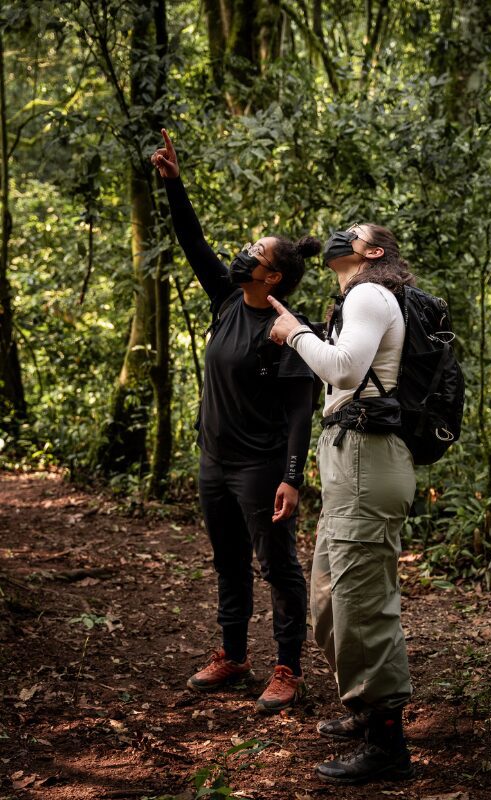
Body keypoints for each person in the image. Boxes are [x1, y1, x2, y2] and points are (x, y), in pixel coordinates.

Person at [150, 129, 320, 713]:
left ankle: (288, 667)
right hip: (214, 460)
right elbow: (193, 241)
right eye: (248, 247)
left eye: (257, 253)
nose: (244, 253)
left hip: (260, 464)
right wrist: (175, 185)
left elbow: (302, 411)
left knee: (277, 564)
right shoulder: (226, 300)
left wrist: (292, 477)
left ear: (272, 277)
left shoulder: (290, 330)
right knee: (227, 559)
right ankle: (232, 653)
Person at [268, 223, 417, 782]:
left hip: (367, 457)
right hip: (349, 455)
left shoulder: (368, 293)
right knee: (329, 603)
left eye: (350, 233)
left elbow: (345, 369)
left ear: (373, 253)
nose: (336, 236)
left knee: (360, 603)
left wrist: (295, 333)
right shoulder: (362, 298)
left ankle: (388, 745)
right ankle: (362, 707)